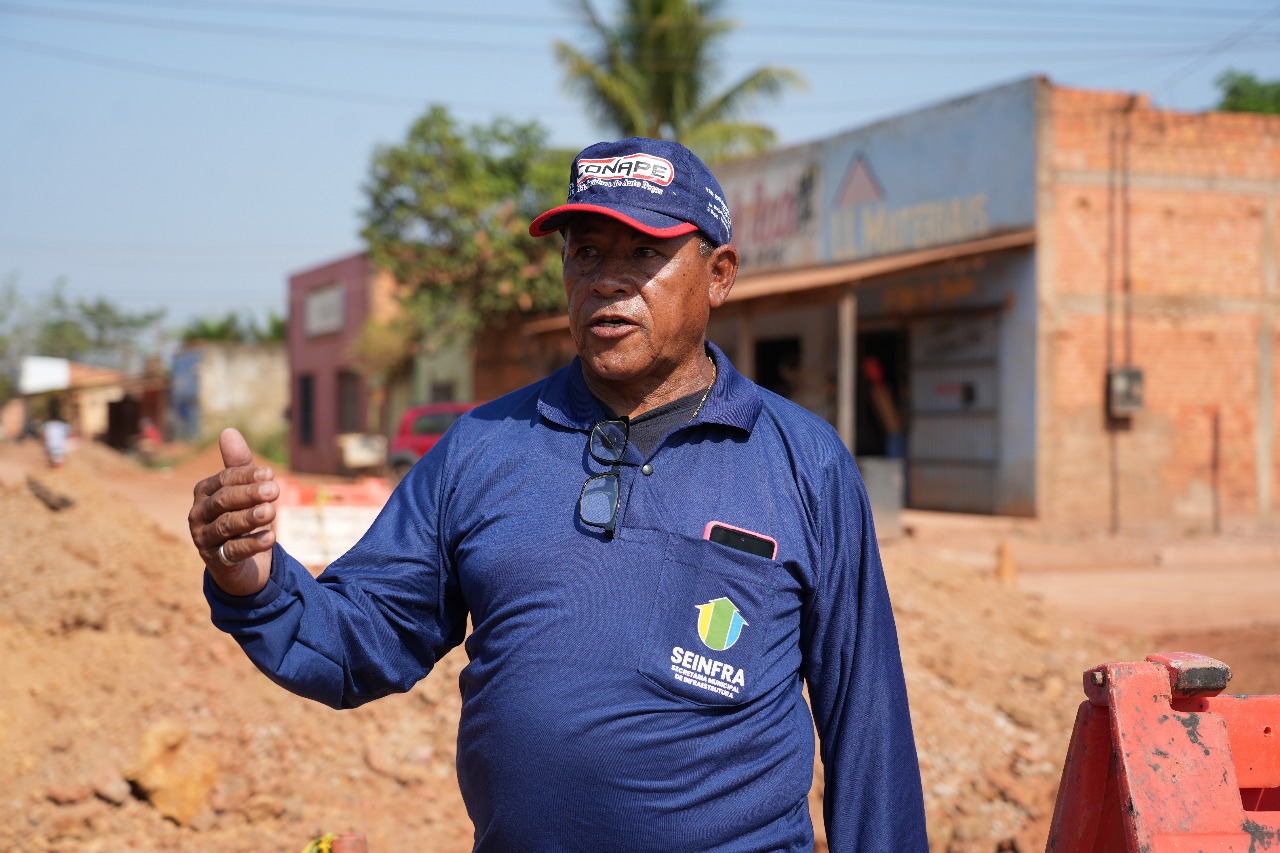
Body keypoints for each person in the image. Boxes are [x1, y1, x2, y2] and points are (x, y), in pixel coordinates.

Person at [190, 137, 928, 851]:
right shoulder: (484, 447)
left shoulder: (802, 463)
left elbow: (868, 727)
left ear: (720, 274)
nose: (606, 280)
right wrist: (253, 581)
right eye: (585, 252)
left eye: (644, 252)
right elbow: (361, 640)